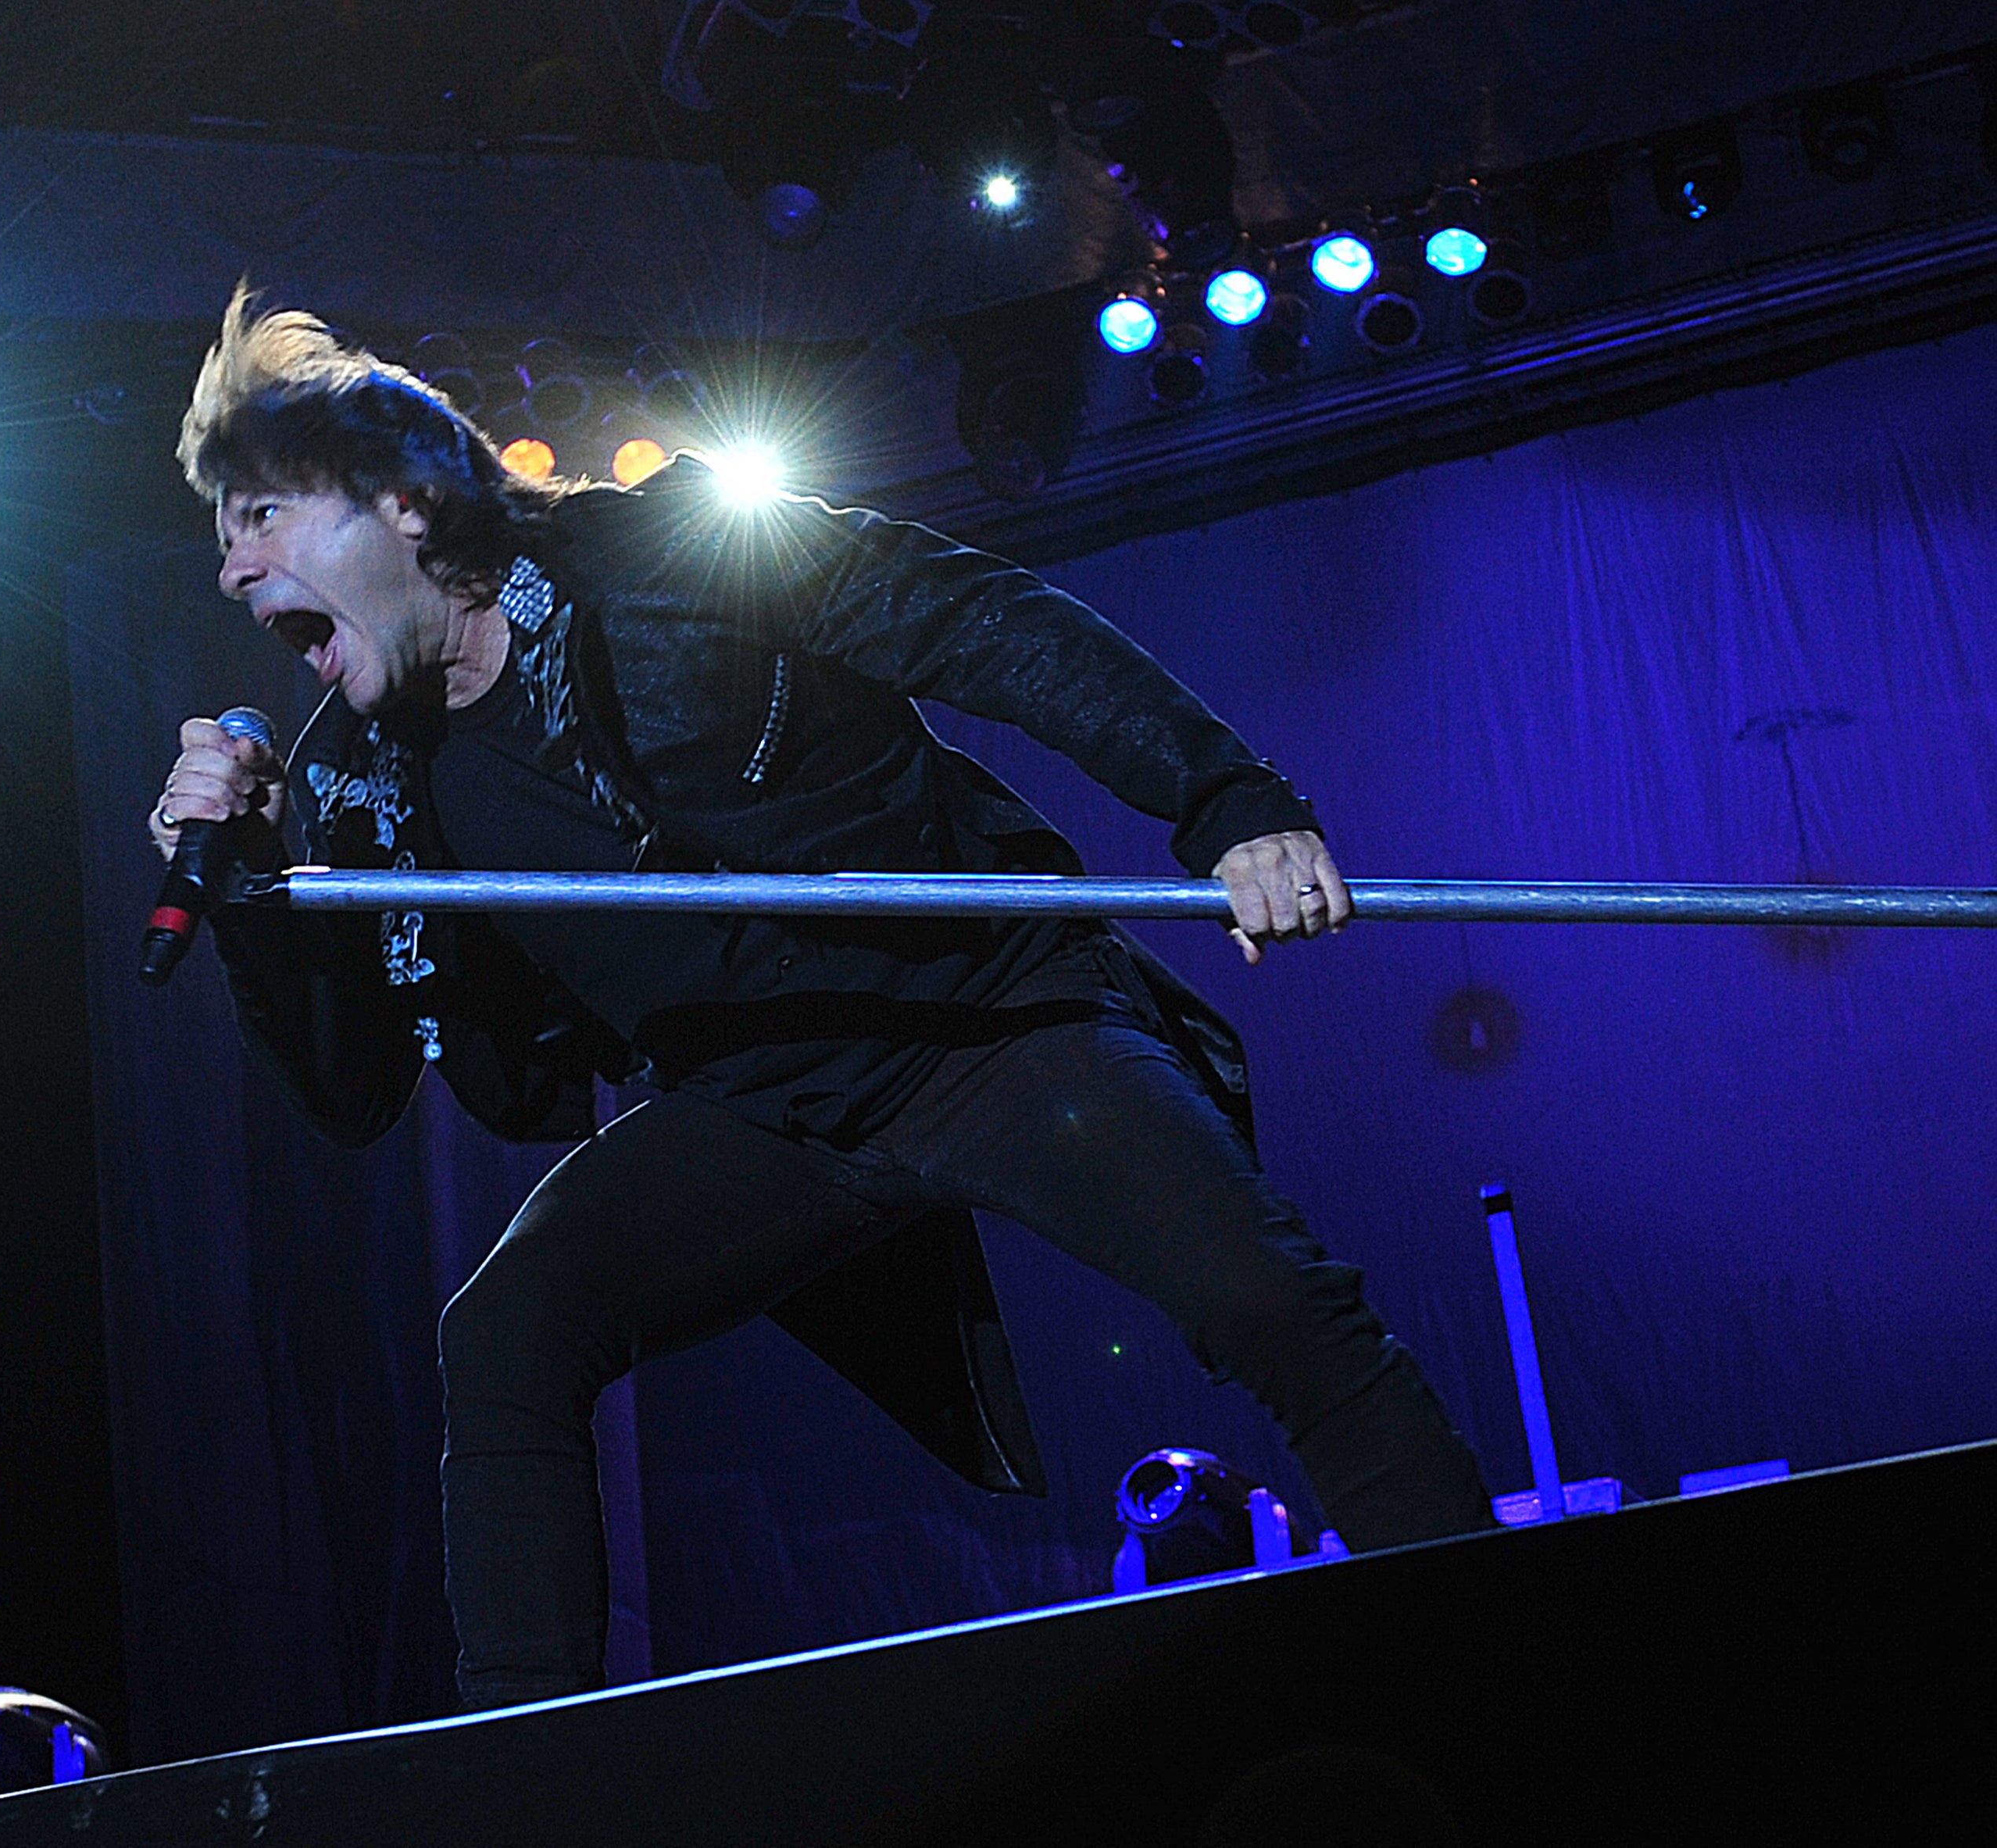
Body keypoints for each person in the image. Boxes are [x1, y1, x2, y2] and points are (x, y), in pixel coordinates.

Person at [152, 293, 1495, 1710]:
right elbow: (350, 1091)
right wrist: (251, 894)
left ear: (409, 504)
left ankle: (1480, 1659)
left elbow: (979, 622)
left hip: (985, 1025)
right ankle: (524, 1767)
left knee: (1262, 1296)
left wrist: (1226, 805)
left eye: (260, 518)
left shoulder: (669, 551)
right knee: (506, 1331)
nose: (236, 573)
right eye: (225, 535)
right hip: (761, 1108)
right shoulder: (356, 776)